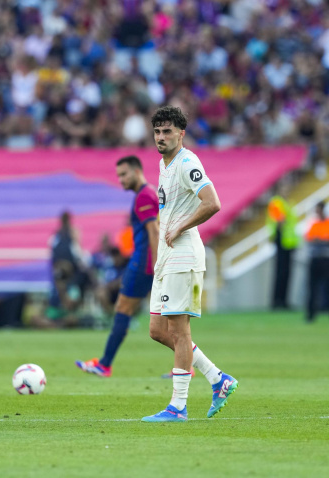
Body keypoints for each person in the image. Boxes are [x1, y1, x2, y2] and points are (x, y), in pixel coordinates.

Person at [141, 105, 238, 423]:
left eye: (167, 131)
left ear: (181, 134)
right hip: (167, 258)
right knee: (157, 330)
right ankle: (217, 378)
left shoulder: (187, 163)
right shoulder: (162, 164)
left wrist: (181, 225)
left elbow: (212, 202)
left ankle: (178, 406)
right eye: (157, 131)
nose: (161, 137)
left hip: (184, 256)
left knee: (180, 332)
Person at [76, 155, 160, 377]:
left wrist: (157, 264)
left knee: (125, 309)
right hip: (145, 260)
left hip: (144, 262)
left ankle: (105, 364)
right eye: (118, 175)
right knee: (164, 320)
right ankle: (186, 366)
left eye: (124, 174)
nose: (121, 180)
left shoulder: (143, 196)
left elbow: (154, 231)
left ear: (136, 171)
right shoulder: (149, 193)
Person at [305, 201, 329, 322]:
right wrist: (323, 239)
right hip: (315, 259)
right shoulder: (313, 223)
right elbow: (309, 238)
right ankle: (310, 315)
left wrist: (321, 239)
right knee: (312, 288)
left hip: (327, 259)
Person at [266, 183, 298, 310]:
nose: (286, 190)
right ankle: (277, 301)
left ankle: (284, 300)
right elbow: (280, 220)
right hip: (281, 239)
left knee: (286, 273)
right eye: (284, 187)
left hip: (289, 241)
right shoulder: (276, 202)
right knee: (280, 272)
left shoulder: (287, 202)